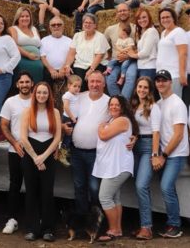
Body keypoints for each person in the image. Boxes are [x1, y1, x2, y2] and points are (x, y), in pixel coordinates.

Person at [64, 71, 109, 234]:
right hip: (76, 151)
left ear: (104, 84)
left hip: (96, 153)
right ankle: (83, 223)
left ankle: (97, 223)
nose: (95, 85)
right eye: (92, 82)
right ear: (87, 83)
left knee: (94, 188)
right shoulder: (79, 96)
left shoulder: (109, 101)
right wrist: (64, 127)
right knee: (79, 187)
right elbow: (65, 110)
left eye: (98, 82)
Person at [93, 95, 139, 242]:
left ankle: (114, 229)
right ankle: (117, 229)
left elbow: (104, 135)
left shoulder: (122, 120)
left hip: (118, 165)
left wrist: (100, 126)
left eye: (117, 105)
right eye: (111, 104)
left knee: (105, 197)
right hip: (112, 165)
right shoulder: (113, 120)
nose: (113, 107)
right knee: (115, 198)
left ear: (123, 106)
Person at [20, 82, 61, 242]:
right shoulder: (27, 111)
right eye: (39, 93)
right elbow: (23, 137)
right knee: (31, 192)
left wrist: (43, 157)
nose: (41, 95)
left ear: (49, 95)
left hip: (48, 155)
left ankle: (48, 229)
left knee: (47, 192)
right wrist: (35, 157)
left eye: (45, 93)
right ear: (34, 94)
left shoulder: (55, 112)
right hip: (30, 154)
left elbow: (57, 137)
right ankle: (32, 228)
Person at [154, 69, 189, 238]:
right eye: (158, 80)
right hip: (164, 153)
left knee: (166, 187)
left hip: (175, 154)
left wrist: (163, 155)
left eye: (164, 80)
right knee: (168, 189)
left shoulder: (177, 103)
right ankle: (172, 222)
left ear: (170, 82)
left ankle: (175, 225)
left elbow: (179, 134)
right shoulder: (159, 104)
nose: (161, 83)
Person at [0, 71, 34, 234]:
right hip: (16, 151)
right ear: (17, 85)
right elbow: (4, 125)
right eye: (22, 82)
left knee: (34, 186)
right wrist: (14, 142)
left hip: (35, 152)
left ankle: (33, 220)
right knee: (15, 185)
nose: (24, 85)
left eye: (27, 82)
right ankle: (11, 219)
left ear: (32, 84)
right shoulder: (10, 102)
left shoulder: (39, 99)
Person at [130, 77, 161, 240]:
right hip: (135, 146)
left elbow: (156, 132)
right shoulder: (134, 105)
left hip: (149, 146)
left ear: (150, 91)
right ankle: (144, 224)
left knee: (141, 185)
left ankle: (146, 228)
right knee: (141, 187)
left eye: (145, 88)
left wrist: (155, 155)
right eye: (139, 87)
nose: (142, 90)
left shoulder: (153, 107)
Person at [64, 13, 110, 91]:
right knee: (73, 80)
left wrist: (91, 70)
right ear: (82, 24)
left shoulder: (100, 37)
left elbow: (99, 56)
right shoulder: (77, 36)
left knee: (88, 81)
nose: (87, 25)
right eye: (85, 22)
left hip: (95, 65)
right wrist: (67, 65)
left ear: (95, 25)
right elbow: (71, 53)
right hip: (79, 65)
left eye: (90, 23)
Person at [105, 3, 137, 100]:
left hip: (132, 61)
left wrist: (129, 56)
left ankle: (122, 105)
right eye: (120, 11)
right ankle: (120, 103)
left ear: (129, 12)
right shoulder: (110, 29)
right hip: (116, 61)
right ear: (117, 13)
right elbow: (102, 45)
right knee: (110, 80)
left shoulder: (136, 28)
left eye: (124, 10)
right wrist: (108, 57)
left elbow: (141, 47)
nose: (122, 12)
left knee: (130, 77)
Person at [156, 8, 187, 98]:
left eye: (167, 17)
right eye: (162, 18)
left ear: (173, 18)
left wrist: (182, 74)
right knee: (165, 104)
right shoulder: (163, 33)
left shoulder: (179, 32)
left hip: (174, 75)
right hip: (162, 76)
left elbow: (183, 53)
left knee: (174, 104)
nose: (165, 20)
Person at [8, 7, 44, 84]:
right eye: (22, 16)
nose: (25, 18)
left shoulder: (34, 29)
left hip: (37, 64)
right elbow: (13, 45)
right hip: (22, 62)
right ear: (18, 18)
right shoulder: (13, 29)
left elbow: (39, 46)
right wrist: (28, 54)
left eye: (27, 16)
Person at [127, 7, 160, 81]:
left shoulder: (151, 31)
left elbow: (145, 53)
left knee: (147, 92)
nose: (141, 20)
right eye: (139, 18)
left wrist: (131, 55)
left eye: (144, 17)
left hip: (149, 68)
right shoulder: (143, 32)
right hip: (143, 67)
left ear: (149, 18)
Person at [40, 16, 72, 88]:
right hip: (49, 70)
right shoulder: (44, 40)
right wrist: (51, 70)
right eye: (53, 25)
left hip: (66, 69)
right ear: (50, 27)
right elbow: (43, 57)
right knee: (45, 87)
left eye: (59, 24)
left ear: (63, 26)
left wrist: (64, 68)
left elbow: (71, 56)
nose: (56, 26)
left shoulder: (70, 41)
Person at [59, 75, 82, 167]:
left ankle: (67, 151)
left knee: (72, 136)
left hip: (73, 118)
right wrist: (72, 117)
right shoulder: (68, 95)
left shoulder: (75, 95)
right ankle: (62, 154)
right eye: (75, 86)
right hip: (68, 118)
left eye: (79, 86)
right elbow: (66, 107)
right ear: (69, 86)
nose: (77, 88)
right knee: (68, 136)